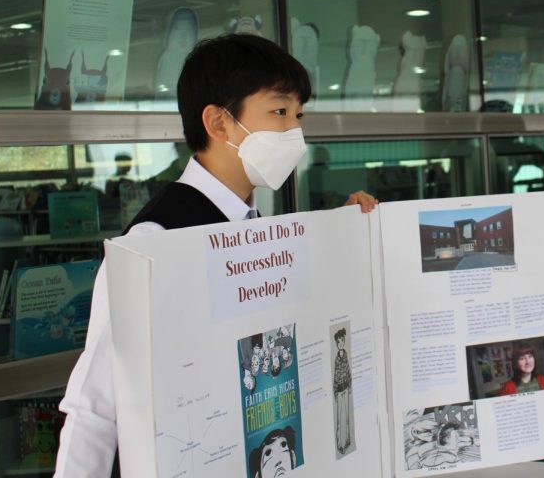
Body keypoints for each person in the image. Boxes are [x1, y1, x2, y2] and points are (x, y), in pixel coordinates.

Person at [54, 34, 377, 477]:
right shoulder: (155, 241)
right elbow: (95, 407)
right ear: (219, 123)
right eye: (280, 112)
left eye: (299, 115)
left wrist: (342, 235)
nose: (294, 132)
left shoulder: (256, 228)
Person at [332, 327, 353, 455]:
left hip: (346, 388)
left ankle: (348, 441)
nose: (341, 344)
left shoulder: (345, 356)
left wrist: (350, 386)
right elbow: (335, 376)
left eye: (342, 341)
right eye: (338, 342)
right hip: (340, 390)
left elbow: (348, 371)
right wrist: (335, 392)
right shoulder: (336, 360)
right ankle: (340, 445)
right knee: (340, 420)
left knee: (347, 417)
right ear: (336, 344)